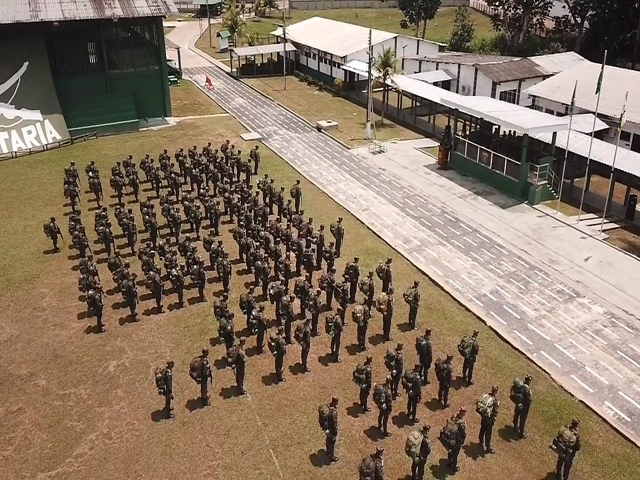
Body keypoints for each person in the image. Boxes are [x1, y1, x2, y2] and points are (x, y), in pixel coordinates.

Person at [477, 386, 500, 454]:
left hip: (484, 417)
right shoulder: (494, 400)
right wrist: (494, 419)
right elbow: (495, 411)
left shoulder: (486, 396)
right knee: (488, 434)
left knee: (482, 429)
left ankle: (480, 441)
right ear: (496, 391)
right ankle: (488, 447)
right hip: (489, 419)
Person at [443, 407, 467, 473]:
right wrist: (462, 441)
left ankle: (449, 463)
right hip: (456, 441)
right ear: (462, 413)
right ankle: (454, 467)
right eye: (464, 412)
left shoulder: (453, 418)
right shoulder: (461, 423)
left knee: (450, 452)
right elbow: (463, 434)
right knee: (455, 454)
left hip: (450, 440)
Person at [512, 374, 533, 438]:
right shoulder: (527, 388)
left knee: (516, 415)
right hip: (524, 407)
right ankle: (521, 433)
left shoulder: (520, 385)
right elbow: (529, 399)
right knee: (522, 420)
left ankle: (515, 427)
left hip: (518, 404)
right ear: (529, 381)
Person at [324, 396, 339, 463]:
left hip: (327, 427)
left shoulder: (328, 407)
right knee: (332, 442)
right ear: (335, 402)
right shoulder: (333, 412)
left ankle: (328, 451)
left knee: (328, 439)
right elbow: (334, 422)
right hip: (331, 429)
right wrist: (335, 431)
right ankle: (332, 457)